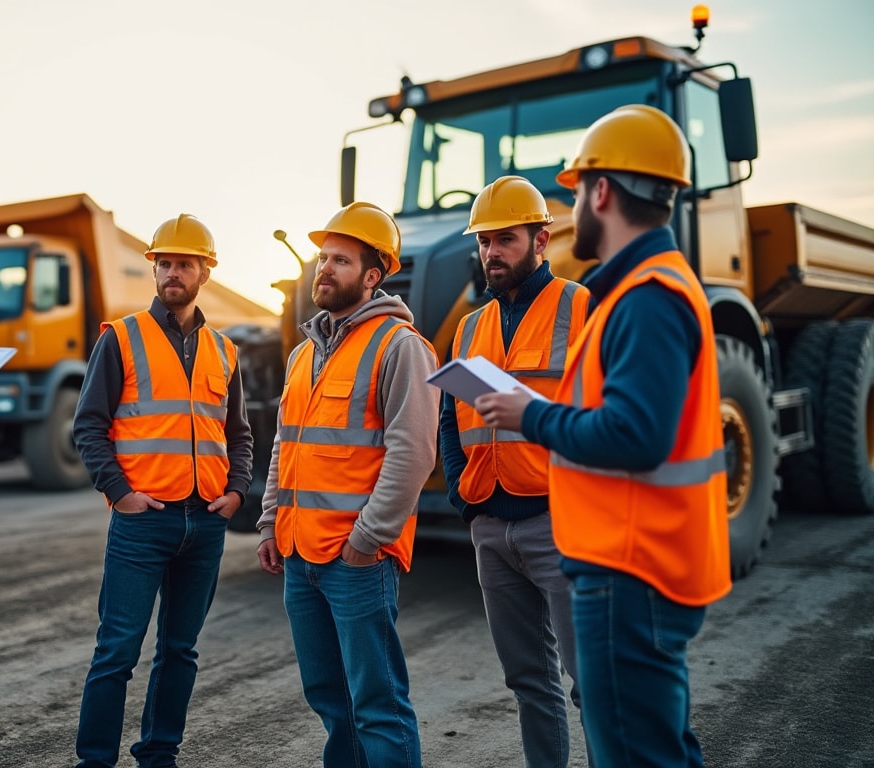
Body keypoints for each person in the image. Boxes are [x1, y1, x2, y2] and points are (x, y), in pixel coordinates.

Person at [475, 105, 732, 768]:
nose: (572, 211)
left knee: (636, 753)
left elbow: (635, 434)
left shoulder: (645, 297)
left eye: (575, 191)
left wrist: (530, 416)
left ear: (604, 192)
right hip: (632, 563)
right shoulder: (638, 290)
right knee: (655, 746)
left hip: (631, 570)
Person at [256, 202, 440, 768]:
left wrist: (368, 539)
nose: (324, 269)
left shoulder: (399, 345)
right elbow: (285, 446)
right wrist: (269, 522)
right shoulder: (303, 354)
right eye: (322, 258)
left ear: (372, 275)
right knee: (331, 703)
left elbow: (414, 453)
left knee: (377, 706)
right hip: (298, 553)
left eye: (340, 259)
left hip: (355, 559)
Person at [71, 213, 254, 768]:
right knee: (117, 652)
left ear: (206, 272)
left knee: (180, 651)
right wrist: (121, 495)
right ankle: (94, 761)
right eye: (165, 263)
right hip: (143, 521)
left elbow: (239, 432)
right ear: (155, 268)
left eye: (185, 264)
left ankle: (159, 755)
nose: (173, 273)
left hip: (204, 524)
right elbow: (88, 426)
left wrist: (238, 490)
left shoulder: (225, 351)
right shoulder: (121, 337)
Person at [440, 176, 590, 768]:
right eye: (484, 242)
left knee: (592, 684)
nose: (492, 252)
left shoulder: (581, 307)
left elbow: (605, 411)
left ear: (541, 240)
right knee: (528, 681)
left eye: (505, 239)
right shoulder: (470, 328)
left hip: (562, 525)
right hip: (491, 530)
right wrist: (461, 494)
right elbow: (453, 420)